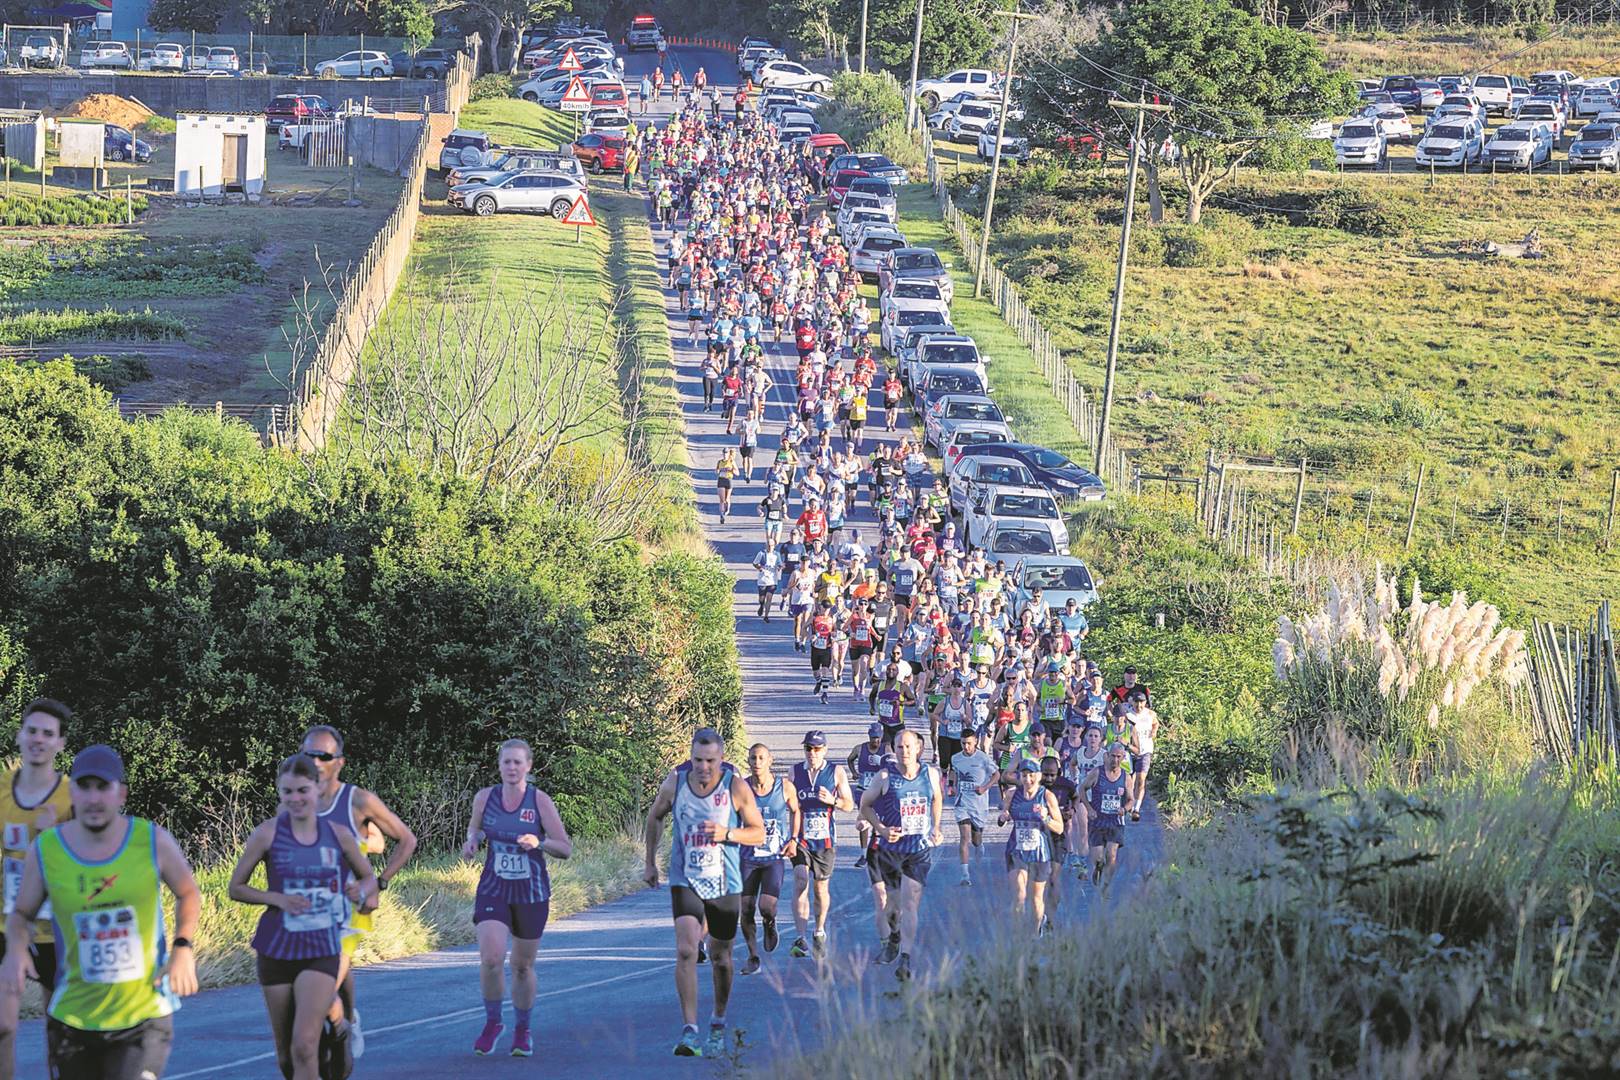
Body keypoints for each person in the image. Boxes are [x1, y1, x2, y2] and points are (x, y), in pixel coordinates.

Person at [2, 745, 200, 1080]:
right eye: (84, 787)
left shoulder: (151, 840)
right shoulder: (47, 849)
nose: (93, 798)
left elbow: (188, 892)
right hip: (74, 1016)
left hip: (143, 1014)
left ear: (121, 793)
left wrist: (183, 947)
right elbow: (21, 914)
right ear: (72, 793)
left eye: (103, 787)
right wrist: (16, 950)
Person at [229, 754, 378, 1080]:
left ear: (318, 789)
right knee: (287, 1058)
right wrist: (276, 898)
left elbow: (368, 877)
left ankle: (338, 1027)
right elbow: (236, 888)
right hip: (276, 948)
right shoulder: (267, 834)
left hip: (320, 947)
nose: (295, 799)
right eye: (288, 792)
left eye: (302, 791)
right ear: (279, 792)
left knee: (304, 1046)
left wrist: (361, 890)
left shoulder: (338, 834)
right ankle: (336, 1023)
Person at [643, 728, 765, 1057]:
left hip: (725, 882)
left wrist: (727, 833)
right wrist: (650, 862)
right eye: (698, 760)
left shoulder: (734, 787)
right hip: (686, 878)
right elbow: (655, 817)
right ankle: (690, 1030)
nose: (703, 767)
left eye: (710, 761)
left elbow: (758, 833)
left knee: (721, 958)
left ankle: (718, 1021)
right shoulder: (675, 783)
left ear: (721, 759)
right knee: (686, 950)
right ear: (691, 757)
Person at [300, 725, 418, 1059]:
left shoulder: (358, 801)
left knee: (323, 983)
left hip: (349, 909)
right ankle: (348, 1019)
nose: (315, 762)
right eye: (309, 755)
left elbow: (407, 840)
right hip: (310, 908)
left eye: (324, 756)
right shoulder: (297, 799)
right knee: (335, 973)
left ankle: (334, 1035)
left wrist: (378, 882)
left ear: (339, 762)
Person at [460, 739, 572, 1056]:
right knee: (491, 958)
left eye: (517, 762)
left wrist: (539, 842)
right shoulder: (485, 798)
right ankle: (493, 1022)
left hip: (531, 893)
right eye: (506, 762)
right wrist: (473, 842)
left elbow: (564, 848)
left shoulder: (540, 801)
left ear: (528, 766)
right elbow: (475, 830)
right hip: (494, 888)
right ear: (499, 766)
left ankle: (523, 1029)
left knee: (522, 966)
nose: (511, 768)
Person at [0, 698, 73, 1080]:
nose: (38, 739)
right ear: (19, 735)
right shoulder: (2, 788)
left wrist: (52, 836)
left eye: (48, 733)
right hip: (8, 925)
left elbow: (91, 857)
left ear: (60, 743)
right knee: (3, 1027)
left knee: (59, 1033)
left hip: (55, 929)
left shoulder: (73, 795)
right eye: (32, 731)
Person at [858, 730, 942, 981]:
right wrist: (881, 829)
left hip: (918, 850)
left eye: (908, 746)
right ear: (894, 750)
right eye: (899, 747)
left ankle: (905, 958)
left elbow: (937, 798)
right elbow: (865, 805)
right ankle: (894, 936)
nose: (904, 751)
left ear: (918, 748)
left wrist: (936, 827)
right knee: (892, 910)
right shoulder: (885, 777)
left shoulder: (930, 774)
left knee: (910, 903)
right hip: (891, 851)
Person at [788, 731, 854, 960]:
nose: (812, 753)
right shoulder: (795, 772)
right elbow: (788, 804)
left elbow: (849, 805)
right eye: (808, 748)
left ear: (824, 750)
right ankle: (800, 937)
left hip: (825, 841)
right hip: (801, 838)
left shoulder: (835, 772)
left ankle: (819, 931)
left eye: (817, 749)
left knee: (820, 889)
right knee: (800, 880)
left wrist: (833, 800)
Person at [738, 745, 798, 976]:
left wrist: (793, 839)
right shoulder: (741, 788)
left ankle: (769, 922)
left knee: (766, 906)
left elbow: (796, 811)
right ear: (748, 761)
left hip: (773, 857)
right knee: (745, 908)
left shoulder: (784, 787)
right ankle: (753, 956)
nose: (757, 762)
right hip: (748, 856)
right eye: (753, 758)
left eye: (761, 758)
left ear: (770, 761)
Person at [999, 759, 1063, 937]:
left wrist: (1046, 818)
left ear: (1039, 776)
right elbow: (1002, 818)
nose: (1028, 780)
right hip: (1016, 850)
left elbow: (1059, 828)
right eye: (1024, 775)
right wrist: (1003, 817)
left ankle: (1035, 934)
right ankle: (1019, 936)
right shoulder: (1012, 794)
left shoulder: (1047, 796)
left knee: (1036, 898)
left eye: (1031, 775)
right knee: (1019, 895)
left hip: (1039, 853)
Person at [945, 726, 997, 886]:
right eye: (963, 743)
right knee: (964, 837)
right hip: (962, 803)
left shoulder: (983, 758)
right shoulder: (956, 758)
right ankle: (965, 875)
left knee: (976, 840)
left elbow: (996, 775)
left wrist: (984, 788)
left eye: (969, 743)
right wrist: (951, 786)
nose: (966, 747)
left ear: (975, 741)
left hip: (979, 805)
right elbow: (953, 771)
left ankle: (980, 847)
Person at [1078, 744, 1133, 888]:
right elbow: (1082, 789)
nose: (1115, 760)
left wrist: (1124, 809)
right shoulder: (1097, 772)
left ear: (1123, 757)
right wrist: (1089, 808)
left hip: (1116, 822)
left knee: (1111, 855)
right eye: (1112, 756)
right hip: (1097, 821)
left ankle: (1106, 887)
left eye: (1118, 757)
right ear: (1107, 756)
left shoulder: (1126, 777)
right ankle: (1098, 869)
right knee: (1099, 859)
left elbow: (1131, 800)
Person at [1126, 693, 1158, 822]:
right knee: (1128, 781)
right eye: (1136, 702)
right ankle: (1128, 804)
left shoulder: (1150, 714)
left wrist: (1154, 731)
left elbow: (1155, 723)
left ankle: (1136, 808)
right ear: (1132, 702)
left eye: (1142, 702)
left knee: (1140, 780)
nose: (1139, 705)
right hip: (1129, 752)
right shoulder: (1128, 714)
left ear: (1145, 702)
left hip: (1145, 751)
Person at [716, 447, 738, 523]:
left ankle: (727, 509)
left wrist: (731, 470)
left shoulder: (731, 462)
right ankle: (721, 516)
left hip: (728, 480)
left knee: (727, 499)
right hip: (721, 480)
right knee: (722, 500)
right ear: (722, 454)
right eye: (724, 453)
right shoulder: (719, 462)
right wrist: (719, 470)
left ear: (729, 454)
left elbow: (737, 473)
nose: (725, 454)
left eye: (726, 453)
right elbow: (716, 471)